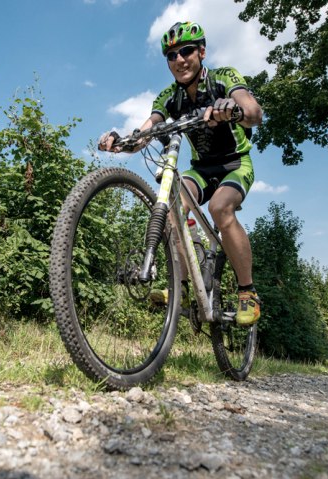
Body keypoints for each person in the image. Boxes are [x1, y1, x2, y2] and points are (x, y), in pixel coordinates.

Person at [98, 21, 262, 326]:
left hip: (235, 164)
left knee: (219, 208)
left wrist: (233, 109)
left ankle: (247, 293)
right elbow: (147, 130)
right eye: (171, 55)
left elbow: (254, 113)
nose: (179, 60)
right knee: (173, 208)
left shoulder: (223, 78)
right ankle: (183, 289)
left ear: (201, 52)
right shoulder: (169, 97)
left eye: (186, 51)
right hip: (201, 169)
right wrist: (121, 141)